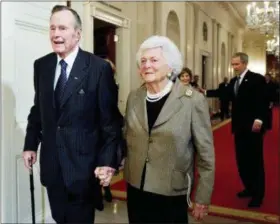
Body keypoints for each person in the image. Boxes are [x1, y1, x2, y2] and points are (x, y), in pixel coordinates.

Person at [22, 5, 122, 223]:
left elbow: (110, 123)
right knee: (60, 219)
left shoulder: (98, 68)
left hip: (84, 170)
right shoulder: (42, 66)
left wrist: (107, 162)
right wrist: (30, 143)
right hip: (52, 168)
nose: (56, 34)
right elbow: (38, 110)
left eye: (63, 28)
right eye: (52, 28)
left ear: (77, 34)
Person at [123, 35, 215, 223]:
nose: (147, 65)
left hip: (171, 192)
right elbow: (126, 137)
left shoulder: (192, 101)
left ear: (170, 66)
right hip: (136, 188)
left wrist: (202, 197)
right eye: (143, 61)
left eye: (154, 60)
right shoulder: (134, 97)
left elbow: (206, 154)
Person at [206, 52, 266, 207]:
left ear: (245, 63)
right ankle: (249, 188)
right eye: (232, 64)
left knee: (255, 161)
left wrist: (259, 120)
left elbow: (263, 101)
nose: (234, 67)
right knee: (242, 160)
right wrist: (204, 92)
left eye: (236, 64)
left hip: (253, 127)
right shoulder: (234, 81)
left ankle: (258, 195)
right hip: (239, 127)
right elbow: (223, 93)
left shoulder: (257, 79)